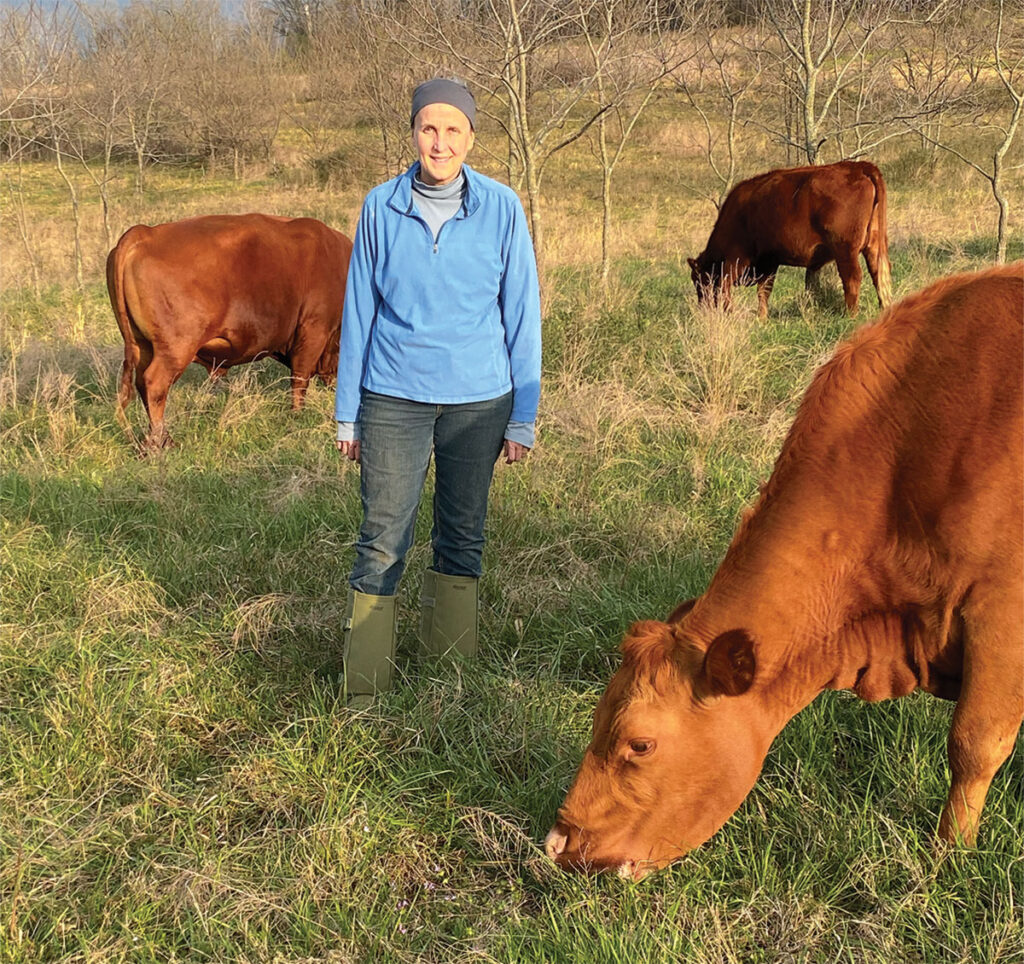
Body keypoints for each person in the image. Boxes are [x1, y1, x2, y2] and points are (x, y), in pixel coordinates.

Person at [334, 77, 542, 705]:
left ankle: (449, 682)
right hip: (392, 396)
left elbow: (522, 313)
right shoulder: (381, 206)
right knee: (382, 534)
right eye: (429, 128)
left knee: (462, 530)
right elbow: (359, 312)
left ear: (472, 137)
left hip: (480, 403)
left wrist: (522, 416)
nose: (440, 141)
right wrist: (349, 413)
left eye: (454, 129)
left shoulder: (503, 208)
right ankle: (365, 689)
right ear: (414, 133)